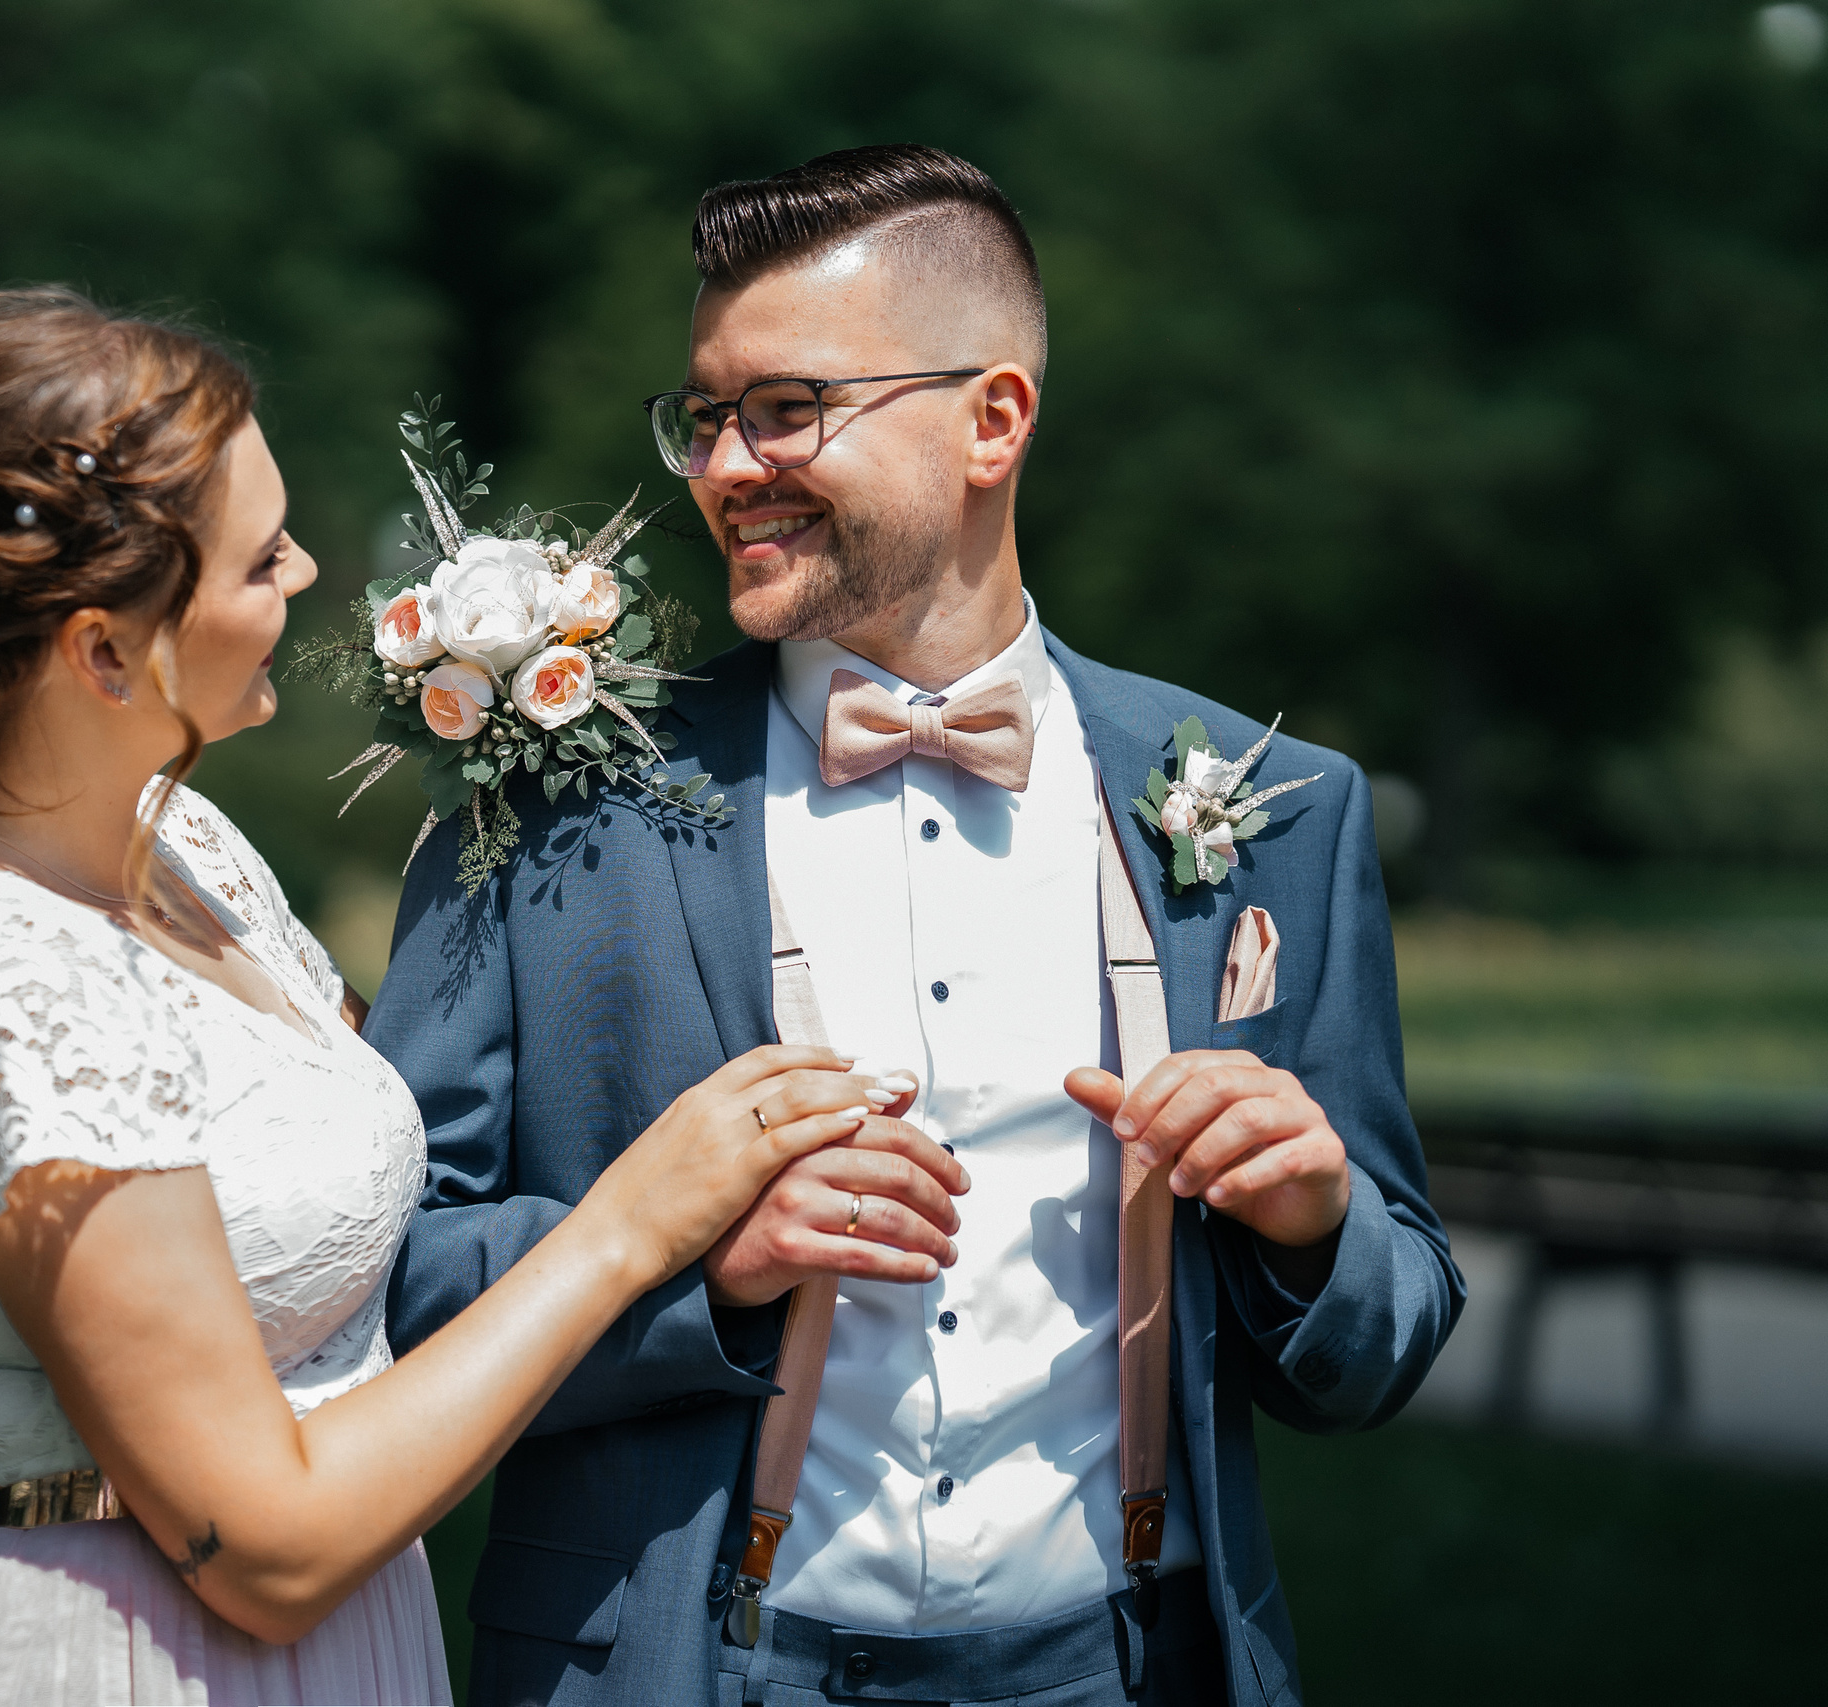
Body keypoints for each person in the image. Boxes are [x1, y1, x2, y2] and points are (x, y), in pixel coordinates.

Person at [369, 145, 1464, 1707]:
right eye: (706, 414)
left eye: (789, 408)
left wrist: (1312, 1223)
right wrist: (702, 1270)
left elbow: (1392, 1329)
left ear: (992, 419)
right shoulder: (550, 806)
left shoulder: (1273, 803)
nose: (726, 465)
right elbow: (385, 1279)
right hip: (682, 1669)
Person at [0, 286, 902, 1707]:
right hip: (113, 1661)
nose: (304, 573)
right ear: (101, 649)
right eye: (257, 561)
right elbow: (267, 1543)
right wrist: (630, 1228)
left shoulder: (180, 849)